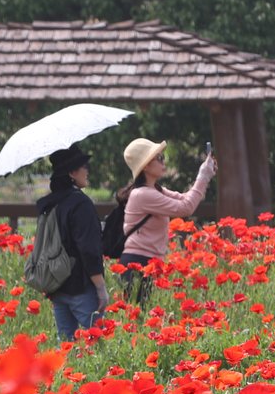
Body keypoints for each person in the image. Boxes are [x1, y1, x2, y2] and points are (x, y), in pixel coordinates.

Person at [115, 138, 216, 304]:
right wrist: (202, 176)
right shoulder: (143, 194)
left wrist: (206, 175)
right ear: (146, 165)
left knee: (144, 317)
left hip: (147, 262)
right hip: (138, 264)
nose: (163, 161)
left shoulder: (155, 189)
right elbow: (186, 207)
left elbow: (185, 198)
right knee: (139, 319)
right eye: (159, 157)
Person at [39, 143, 108, 341]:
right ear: (72, 172)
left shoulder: (51, 203)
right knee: (98, 345)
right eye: (84, 166)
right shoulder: (80, 204)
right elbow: (88, 249)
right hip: (81, 286)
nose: (87, 170)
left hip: (57, 285)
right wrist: (101, 288)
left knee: (66, 348)